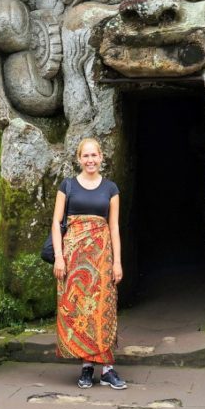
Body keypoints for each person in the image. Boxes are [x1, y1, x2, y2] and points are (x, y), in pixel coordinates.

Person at [52, 137, 126, 389]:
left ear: (102, 157)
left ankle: (107, 369)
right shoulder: (67, 186)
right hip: (73, 258)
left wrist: (117, 262)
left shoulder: (111, 189)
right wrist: (59, 257)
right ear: (79, 158)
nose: (90, 160)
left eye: (94, 155)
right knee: (79, 309)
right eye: (86, 156)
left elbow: (114, 227)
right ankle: (86, 367)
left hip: (101, 257)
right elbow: (56, 223)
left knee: (102, 310)